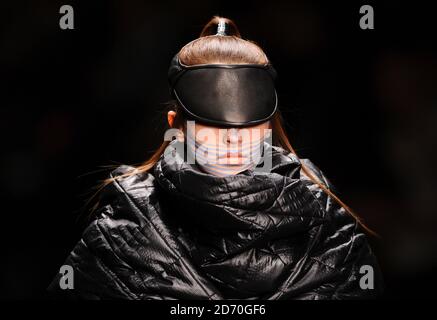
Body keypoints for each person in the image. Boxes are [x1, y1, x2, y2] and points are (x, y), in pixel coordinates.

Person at [48, 16, 383, 300]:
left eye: (248, 122)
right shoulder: (123, 229)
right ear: (175, 128)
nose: (233, 137)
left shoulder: (327, 223)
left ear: (268, 124)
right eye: (212, 121)